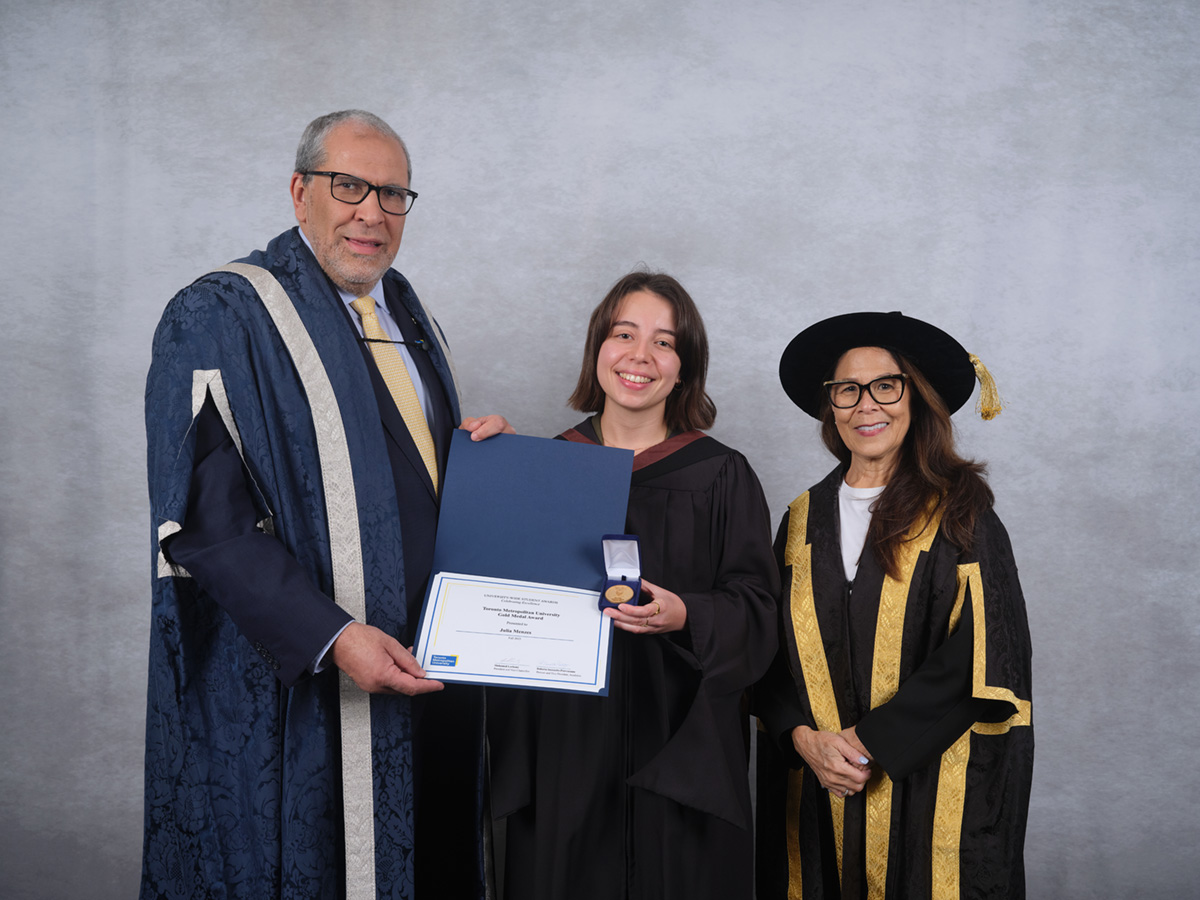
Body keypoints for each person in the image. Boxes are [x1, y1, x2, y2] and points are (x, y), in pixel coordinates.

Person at [142, 110, 511, 900]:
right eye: (349, 186)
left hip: (434, 673)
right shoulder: (222, 314)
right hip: (305, 689)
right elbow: (205, 523)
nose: (371, 212)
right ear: (299, 191)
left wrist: (480, 462)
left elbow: (400, 485)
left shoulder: (410, 318)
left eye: (392, 194)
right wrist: (334, 637)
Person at [488, 272, 779, 900]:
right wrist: (496, 476)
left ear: (685, 367)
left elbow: (759, 612)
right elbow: (496, 603)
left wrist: (686, 615)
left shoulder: (721, 475)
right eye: (624, 334)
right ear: (599, 350)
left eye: (664, 342)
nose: (640, 355)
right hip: (565, 745)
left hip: (680, 746)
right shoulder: (544, 466)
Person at [754, 311, 1034, 899]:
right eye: (847, 390)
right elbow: (766, 644)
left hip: (928, 787)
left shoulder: (963, 516)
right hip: (819, 783)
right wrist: (802, 738)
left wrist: (867, 744)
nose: (866, 405)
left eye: (886, 385)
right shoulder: (802, 520)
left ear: (917, 397)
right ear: (830, 405)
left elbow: (982, 656)